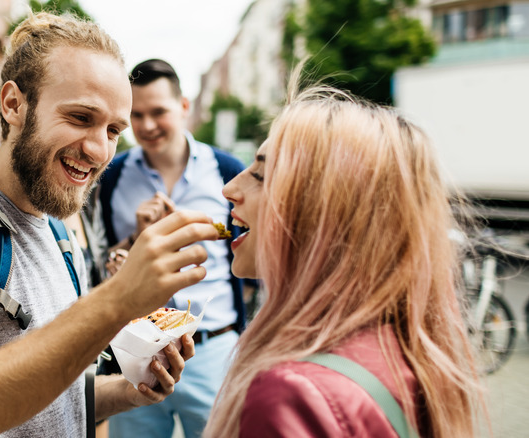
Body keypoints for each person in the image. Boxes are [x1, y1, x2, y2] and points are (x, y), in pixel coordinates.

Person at [0, 13, 220, 438]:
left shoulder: (58, 232)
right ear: (13, 105)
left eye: (114, 129)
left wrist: (131, 390)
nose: (98, 150)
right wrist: (117, 299)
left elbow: (57, 395)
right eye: (80, 117)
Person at [204, 72, 484, 437]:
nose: (229, 189)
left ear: (322, 210)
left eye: (260, 174)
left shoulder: (292, 394)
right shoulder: (411, 353)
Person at [100, 59, 251, 438]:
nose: (147, 126)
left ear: (183, 107)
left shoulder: (226, 170)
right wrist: (138, 240)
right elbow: (103, 260)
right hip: (138, 351)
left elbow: (249, 254)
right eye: (137, 115)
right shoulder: (111, 176)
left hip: (213, 349)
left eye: (158, 112)